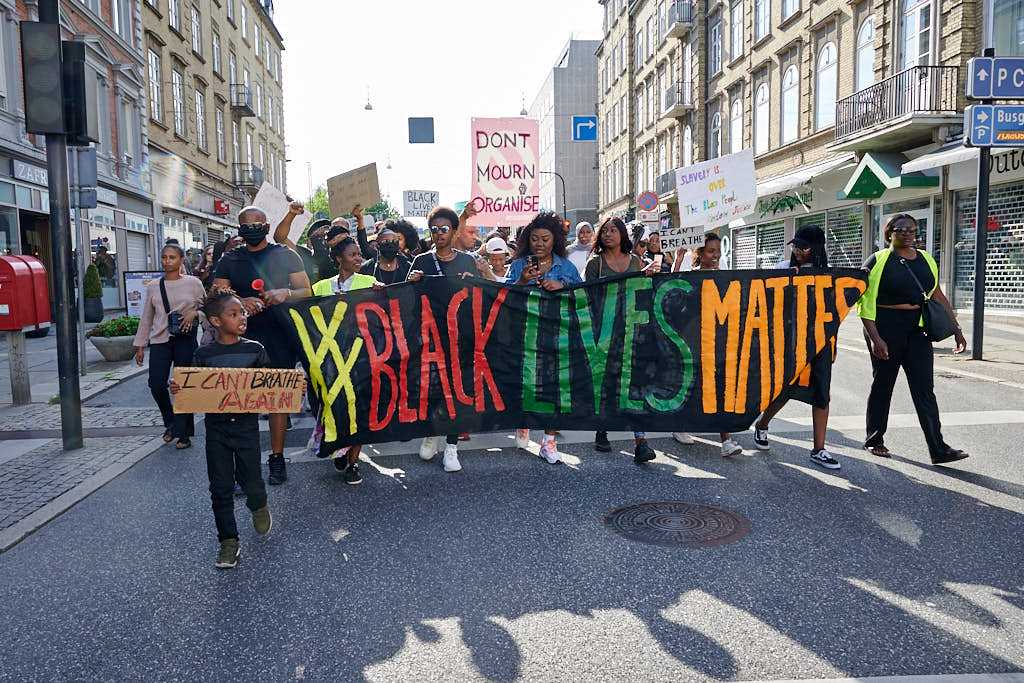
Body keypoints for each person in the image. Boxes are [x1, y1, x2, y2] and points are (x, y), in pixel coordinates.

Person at [170, 289, 276, 569]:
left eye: (242, 312)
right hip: (216, 430)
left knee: (252, 480)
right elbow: (193, 390)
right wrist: (180, 388)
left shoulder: (255, 349)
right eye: (234, 313)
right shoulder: (203, 354)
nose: (242, 317)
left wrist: (290, 387)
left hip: (246, 429)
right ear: (215, 321)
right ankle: (228, 541)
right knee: (220, 486)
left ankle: (259, 504)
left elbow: (272, 386)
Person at [212, 206, 313, 486]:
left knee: (276, 400)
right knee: (242, 402)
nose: (252, 228)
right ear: (239, 228)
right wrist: (240, 302)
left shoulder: (285, 254)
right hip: (239, 340)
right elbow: (217, 293)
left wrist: (286, 292)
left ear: (267, 226)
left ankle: (277, 458)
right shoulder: (230, 258)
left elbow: (308, 291)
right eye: (247, 224)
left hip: (280, 336)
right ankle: (244, 465)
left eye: (258, 223)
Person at [859, 214, 969, 465]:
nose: (908, 234)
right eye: (901, 229)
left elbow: (937, 295)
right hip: (885, 327)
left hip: (917, 329)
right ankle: (874, 440)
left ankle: (938, 448)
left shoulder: (926, 259)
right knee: (883, 384)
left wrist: (956, 329)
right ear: (889, 233)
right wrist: (876, 338)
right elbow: (864, 302)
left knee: (924, 389)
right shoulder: (878, 260)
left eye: (912, 230)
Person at [751, 226, 841, 470]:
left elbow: (837, 309)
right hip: (791, 341)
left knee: (822, 393)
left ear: (817, 249)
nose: (798, 251)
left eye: (804, 246)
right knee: (784, 390)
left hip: (821, 341)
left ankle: (819, 449)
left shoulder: (832, 275)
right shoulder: (783, 269)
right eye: (795, 245)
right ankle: (762, 424)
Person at [503, 212, 584, 464]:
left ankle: (548, 442)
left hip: (557, 337)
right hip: (525, 337)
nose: (539, 243)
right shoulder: (518, 264)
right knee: (526, 384)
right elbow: (503, 296)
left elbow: (583, 297)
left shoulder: (566, 267)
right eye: (535, 238)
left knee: (555, 388)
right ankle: (524, 421)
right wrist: (522, 280)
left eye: (545, 239)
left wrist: (564, 287)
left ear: (555, 241)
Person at [407, 206, 481, 473]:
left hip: (461, 338)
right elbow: (407, 300)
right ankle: (431, 433)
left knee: (457, 391)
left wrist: (473, 283)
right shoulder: (422, 262)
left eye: (444, 229)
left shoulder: (467, 261)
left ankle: (452, 446)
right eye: (434, 230)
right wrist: (412, 282)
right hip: (430, 337)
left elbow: (478, 298)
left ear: (454, 231)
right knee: (433, 388)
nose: (439, 234)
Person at [582, 217, 657, 463]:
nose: (608, 234)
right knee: (606, 382)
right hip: (603, 332)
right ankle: (601, 430)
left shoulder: (635, 262)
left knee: (632, 383)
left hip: (631, 330)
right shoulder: (595, 264)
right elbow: (589, 296)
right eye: (604, 231)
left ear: (623, 234)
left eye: (613, 230)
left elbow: (642, 292)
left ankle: (641, 441)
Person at [309, 238, 381, 485]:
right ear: (339, 258)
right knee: (334, 407)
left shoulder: (370, 283)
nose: (359, 258)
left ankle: (353, 461)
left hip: (360, 357)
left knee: (358, 408)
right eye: (353, 254)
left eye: (360, 254)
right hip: (328, 361)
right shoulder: (319, 288)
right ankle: (338, 448)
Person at [672, 233, 743, 457]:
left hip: (718, 341)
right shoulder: (691, 276)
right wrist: (677, 260)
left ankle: (726, 440)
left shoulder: (724, 278)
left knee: (720, 388)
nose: (715, 256)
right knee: (693, 386)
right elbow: (670, 289)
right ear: (700, 253)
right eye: (711, 251)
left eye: (718, 252)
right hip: (693, 341)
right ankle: (680, 426)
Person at [133, 244, 206, 450]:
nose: (167, 261)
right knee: (156, 383)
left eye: (172, 257)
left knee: (183, 387)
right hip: (160, 340)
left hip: (185, 339)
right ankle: (171, 422)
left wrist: (196, 314)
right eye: (164, 257)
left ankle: (183, 434)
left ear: (181, 260)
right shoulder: (154, 286)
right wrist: (140, 345)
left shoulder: (194, 283)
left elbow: (208, 307)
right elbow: (147, 316)